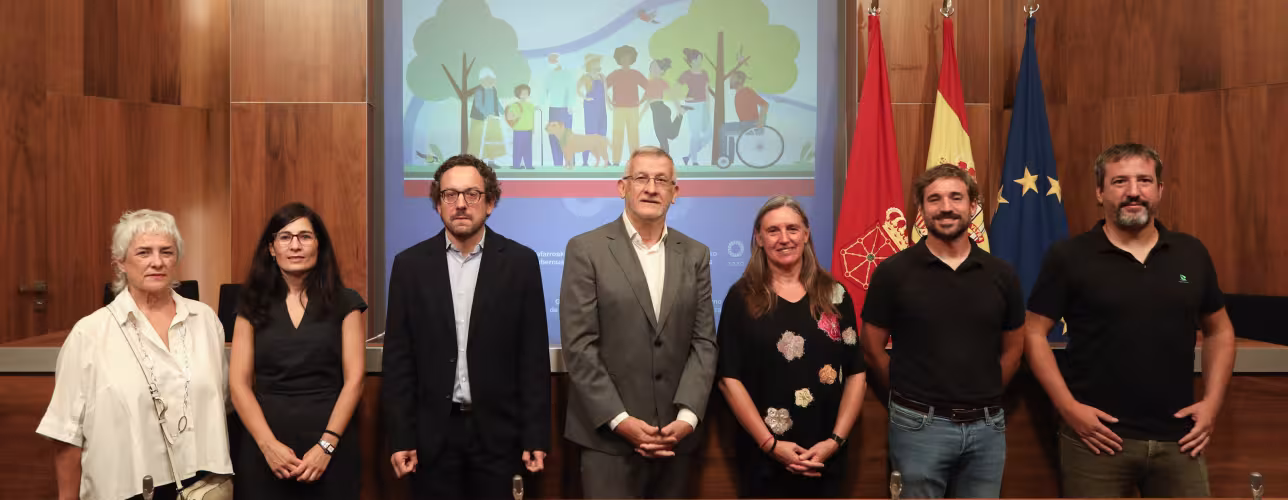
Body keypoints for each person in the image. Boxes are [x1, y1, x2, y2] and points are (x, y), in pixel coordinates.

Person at [1022, 143, 1236, 498]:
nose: (1133, 192)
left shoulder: (1191, 252)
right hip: (1096, 441)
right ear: (1099, 191)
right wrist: (1069, 408)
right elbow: (1033, 332)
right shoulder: (1070, 256)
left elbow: (1220, 330)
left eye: (1144, 181)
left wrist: (1212, 403)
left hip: (1180, 440)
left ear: (1160, 191)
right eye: (1120, 181)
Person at [384, 154, 551, 499]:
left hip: (499, 437)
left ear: (490, 203)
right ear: (438, 203)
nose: (460, 204)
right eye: (450, 195)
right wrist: (401, 437)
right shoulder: (409, 266)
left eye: (472, 194)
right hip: (432, 439)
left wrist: (535, 436)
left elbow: (532, 359)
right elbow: (399, 361)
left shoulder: (520, 263)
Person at [38, 209, 233, 500]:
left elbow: (223, 402)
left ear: (176, 259)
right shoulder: (89, 334)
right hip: (127, 488)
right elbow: (67, 435)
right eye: (144, 252)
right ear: (121, 263)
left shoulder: (205, 320)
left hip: (203, 488)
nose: (157, 261)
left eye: (166, 251)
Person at [860, 165, 1026, 498]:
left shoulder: (1001, 274)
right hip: (918, 426)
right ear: (921, 210)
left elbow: (1014, 350)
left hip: (988, 428)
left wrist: (983, 393)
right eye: (934, 199)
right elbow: (872, 348)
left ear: (972, 206)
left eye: (956, 197)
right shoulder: (893, 272)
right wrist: (912, 395)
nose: (946, 207)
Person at [560, 146, 717, 498]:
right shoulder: (586, 249)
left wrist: (687, 419)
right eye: (641, 178)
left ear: (675, 193)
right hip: (607, 441)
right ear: (622, 187)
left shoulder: (696, 254)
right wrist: (622, 421)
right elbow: (579, 346)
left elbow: (704, 342)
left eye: (662, 180)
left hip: (676, 440)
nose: (651, 188)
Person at [718, 195, 868, 498]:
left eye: (792, 229)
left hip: (826, 455)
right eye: (773, 231)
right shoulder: (741, 297)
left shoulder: (835, 294)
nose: (784, 238)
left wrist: (834, 441)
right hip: (764, 456)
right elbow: (727, 378)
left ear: (806, 234)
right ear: (759, 238)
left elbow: (856, 374)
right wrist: (770, 445)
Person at [229, 202, 368, 499]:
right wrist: (268, 446)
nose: (295, 245)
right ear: (271, 248)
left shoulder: (346, 302)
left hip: (330, 447)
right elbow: (239, 385)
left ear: (319, 245)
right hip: (265, 447)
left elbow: (354, 381)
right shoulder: (250, 304)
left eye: (305, 236)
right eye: (285, 237)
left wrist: (326, 446)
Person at [606, 45, 648, 165]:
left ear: (632, 59)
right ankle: (615, 162)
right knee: (617, 135)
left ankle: (635, 162)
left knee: (633, 136)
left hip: (633, 109)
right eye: (623, 58)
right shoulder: (615, 74)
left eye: (628, 58)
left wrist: (641, 101)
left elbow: (649, 87)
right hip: (618, 109)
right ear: (619, 59)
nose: (625, 60)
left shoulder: (636, 74)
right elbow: (603, 88)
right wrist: (608, 100)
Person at [643, 58, 687, 154]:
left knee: (663, 139)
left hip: (661, 110)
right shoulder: (649, 83)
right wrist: (640, 112)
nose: (653, 69)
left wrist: (678, 107)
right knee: (669, 136)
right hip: (658, 111)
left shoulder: (662, 82)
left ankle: (664, 161)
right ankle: (680, 114)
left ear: (662, 71)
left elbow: (672, 96)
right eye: (652, 66)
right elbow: (646, 99)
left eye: (656, 67)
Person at [677, 48, 711, 166]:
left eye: (700, 58)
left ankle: (689, 156)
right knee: (695, 133)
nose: (700, 61)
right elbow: (676, 89)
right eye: (698, 59)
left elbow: (706, 90)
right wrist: (685, 99)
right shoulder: (686, 74)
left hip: (703, 105)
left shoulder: (704, 73)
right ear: (691, 61)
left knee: (709, 133)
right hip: (692, 105)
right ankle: (694, 160)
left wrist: (708, 106)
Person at [545, 53, 578, 167]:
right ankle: (557, 163)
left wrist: (571, 105)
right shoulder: (549, 75)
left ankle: (570, 163)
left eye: (553, 61)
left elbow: (572, 90)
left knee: (567, 137)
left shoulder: (567, 74)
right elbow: (544, 90)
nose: (552, 63)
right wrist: (539, 103)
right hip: (553, 109)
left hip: (565, 109)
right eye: (550, 61)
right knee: (553, 136)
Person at [468, 68, 506, 164]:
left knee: (493, 140)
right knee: (477, 140)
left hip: (493, 119)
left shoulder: (493, 90)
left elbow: (496, 102)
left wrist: (503, 112)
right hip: (479, 120)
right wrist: (486, 114)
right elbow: (478, 104)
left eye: (492, 80)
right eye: (488, 80)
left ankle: (491, 161)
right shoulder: (479, 91)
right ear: (482, 80)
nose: (491, 82)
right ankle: (475, 161)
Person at [577, 55, 609, 166]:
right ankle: (585, 161)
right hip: (590, 107)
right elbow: (578, 89)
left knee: (602, 132)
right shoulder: (585, 77)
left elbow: (606, 92)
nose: (598, 64)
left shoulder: (602, 76)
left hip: (601, 106)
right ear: (590, 65)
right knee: (590, 133)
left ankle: (606, 160)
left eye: (598, 62)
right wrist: (585, 97)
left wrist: (609, 104)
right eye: (596, 62)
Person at [507, 84, 536, 169]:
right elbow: (509, 117)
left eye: (526, 93)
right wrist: (517, 116)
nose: (524, 95)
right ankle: (516, 165)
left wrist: (533, 128)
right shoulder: (514, 105)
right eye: (522, 93)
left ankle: (529, 165)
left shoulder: (531, 105)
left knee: (528, 149)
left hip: (528, 130)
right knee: (518, 149)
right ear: (518, 94)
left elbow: (532, 118)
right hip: (518, 130)